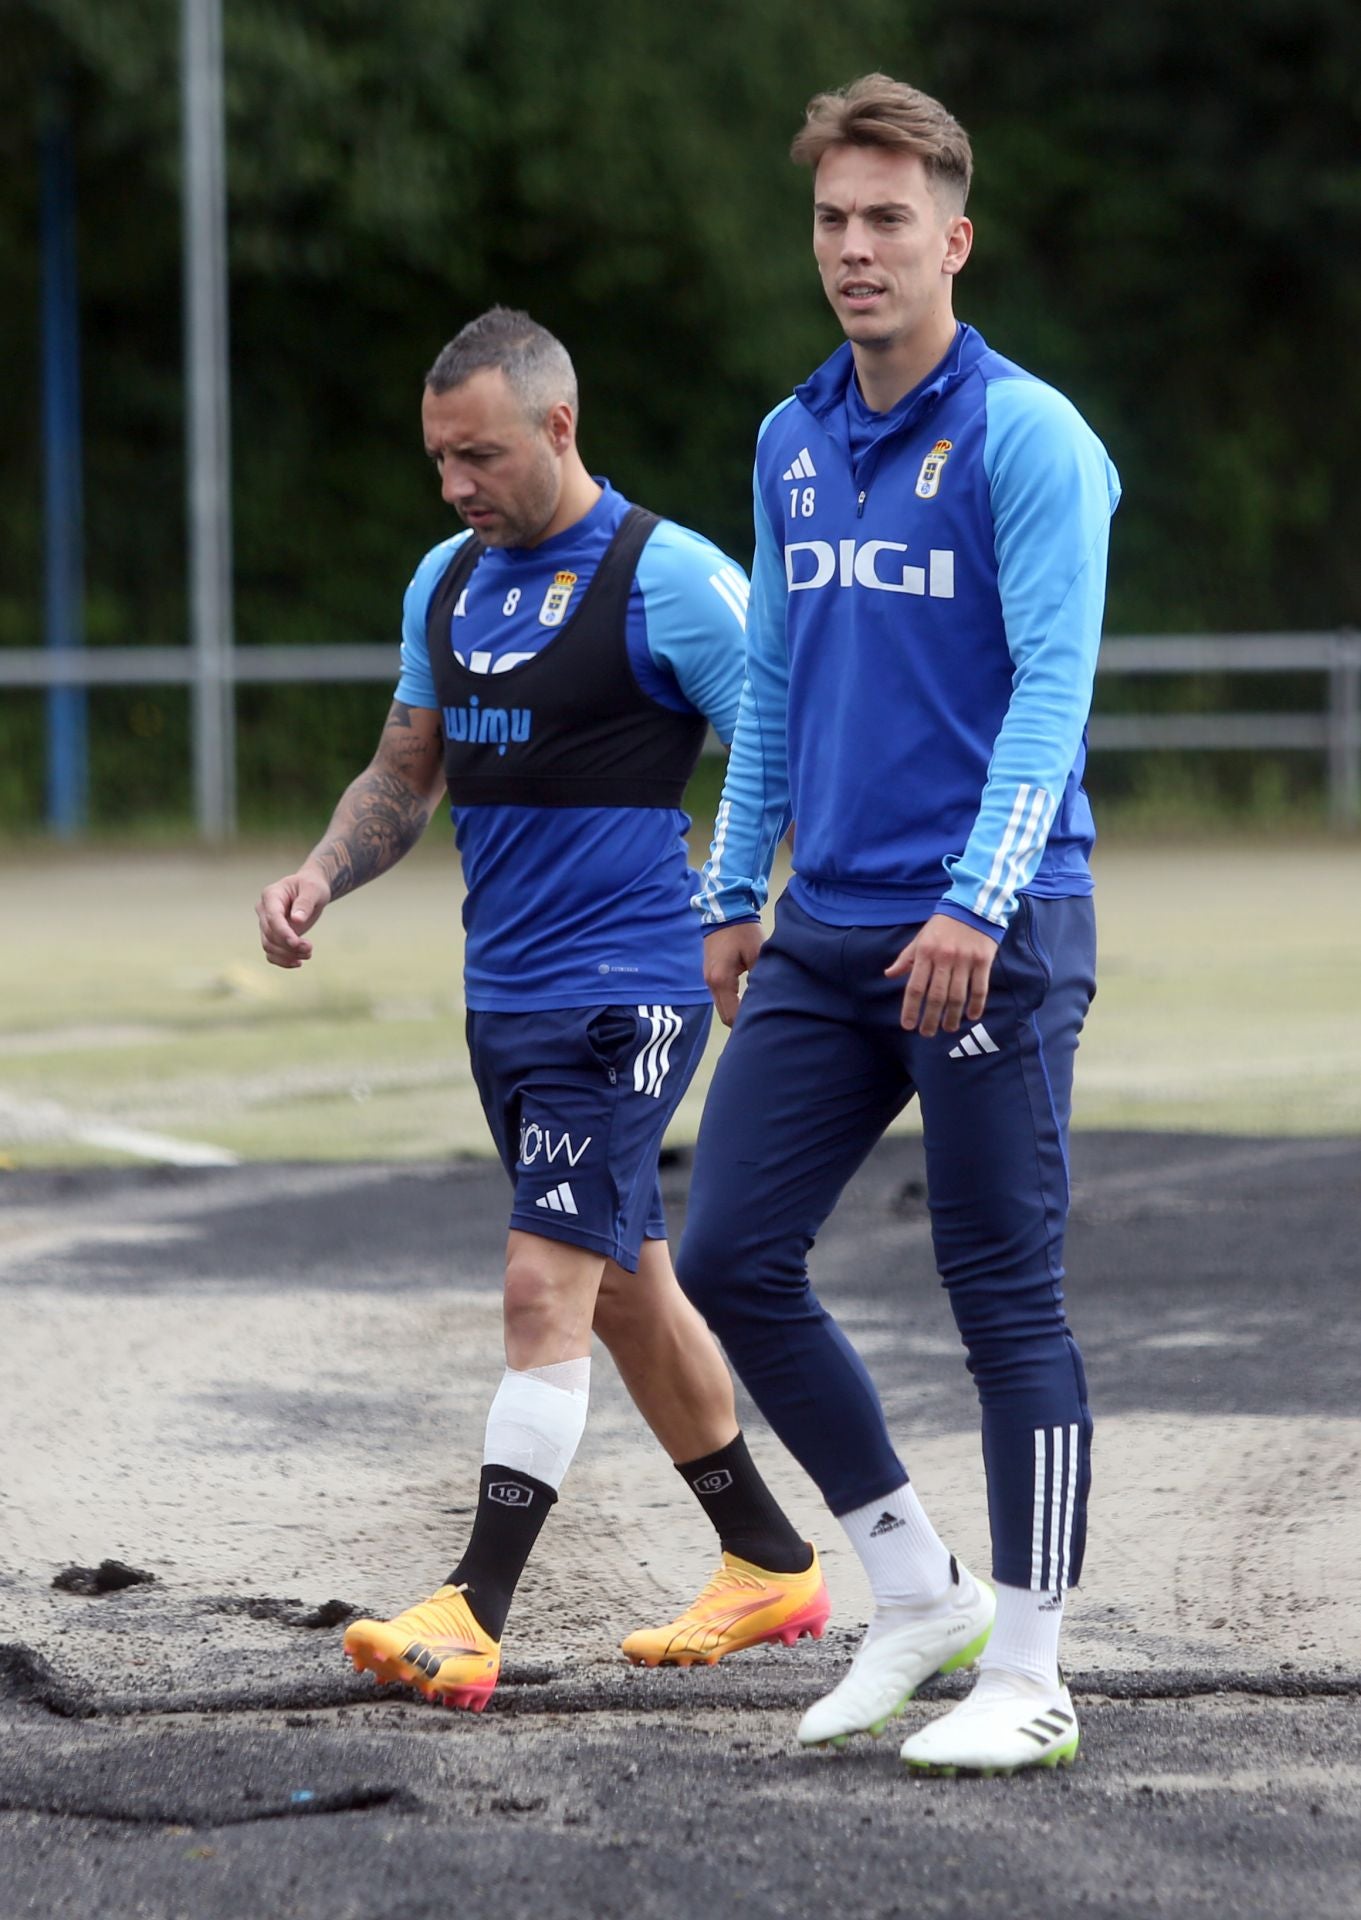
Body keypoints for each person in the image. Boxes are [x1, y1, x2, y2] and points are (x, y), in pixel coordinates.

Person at [255, 308, 827, 1712]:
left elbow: (795, 738)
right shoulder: (444, 582)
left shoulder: (670, 577)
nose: (455, 483)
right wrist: (324, 871)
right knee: (625, 1285)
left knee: (540, 1285)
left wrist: (755, 907)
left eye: (480, 454)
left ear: (559, 427)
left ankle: (474, 1606)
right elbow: (406, 767)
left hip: (624, 989)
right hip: (500, 992)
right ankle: (765, 1559)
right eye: (439, 457)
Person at [676, 76, 1120, 1775]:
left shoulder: (1026, 435)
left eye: (884, 221)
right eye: (829, 220)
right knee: (726, 1255)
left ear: (953, 236)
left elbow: (1052, 694)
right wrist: (733, 891)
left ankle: (1032, 1666)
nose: (852, 249)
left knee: (1000, 1293)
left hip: (990, 927)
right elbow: (774, 682)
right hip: (825, 931)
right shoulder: (791, 437)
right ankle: (908, 1589)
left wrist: (972, 904)